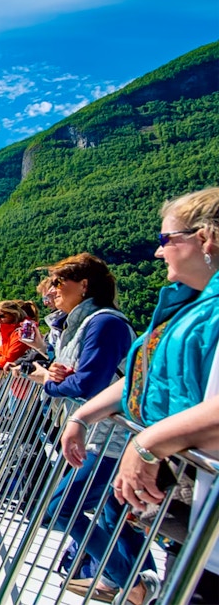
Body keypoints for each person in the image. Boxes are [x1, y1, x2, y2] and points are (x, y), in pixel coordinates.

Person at [60, 188, 219, 605]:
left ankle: (127, 581)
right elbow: (138, 377)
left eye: (166, 240)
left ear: (206, 239)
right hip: (191, 498)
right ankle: (134, 582)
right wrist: (82, 418)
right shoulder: (189, 308)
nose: (157, 253)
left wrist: (147, 445)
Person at [19, 252, 146, 601]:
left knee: (61, 507)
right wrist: (57, 372)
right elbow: (73, 373)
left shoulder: (105, 323)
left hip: (111, 438)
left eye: (59, 282)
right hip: (96, 435)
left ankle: (131, 581)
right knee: (111, 509)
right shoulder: (83, 324)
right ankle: (115, 578)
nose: (53, 289)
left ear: (85, 285)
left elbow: (88, 384)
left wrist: (48, 380)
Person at [0, 300, 31, 370]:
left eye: (1, 316)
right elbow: (1, 352)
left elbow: (8, 360)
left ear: (14, 315)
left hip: (21, 377)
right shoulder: (8, 332)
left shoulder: (22, 332)